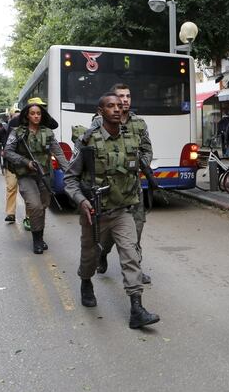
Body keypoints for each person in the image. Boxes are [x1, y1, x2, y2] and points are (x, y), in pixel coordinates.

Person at [63, 92, 160, 329]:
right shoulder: (88, 142)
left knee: (130, 255)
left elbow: (136, 170)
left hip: (122, 211)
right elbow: (70, 178)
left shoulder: (131, 140)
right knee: (90, 257)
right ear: (100, 111)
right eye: (111, 106)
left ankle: (136, 308)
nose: (117, 109)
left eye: (119, 105)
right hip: (94, 213)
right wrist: (81, 201)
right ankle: (86, 281)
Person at [94, 83, 153, 284]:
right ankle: (102, 253)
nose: (125, 100)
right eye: (121, 97)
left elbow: (147, 149)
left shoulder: (139, 123)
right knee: (109, 231)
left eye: (128, 96)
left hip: (133, 186)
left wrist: (141, 165)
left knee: (136, 227)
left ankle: (135, 269)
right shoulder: (99, 122)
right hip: (109, 188)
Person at [4, 101, 69, 254]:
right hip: (26, 175)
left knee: (43, 205)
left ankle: (40, 235)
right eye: (32, 113)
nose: (36, 116)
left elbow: (58, 153)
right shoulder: (17, 132)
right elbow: (8, 152)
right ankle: (37, 241)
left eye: (38, 114)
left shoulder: (47, 132)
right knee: (34, 206)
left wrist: (69, 172)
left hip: (45, 174)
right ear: (27, 115)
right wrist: (26, 162)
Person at [3, 110, 21, 223]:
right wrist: (0, 151)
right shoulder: (5, 130)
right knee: (11, 187)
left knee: (29, 192)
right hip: (11, 164)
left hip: (26, 165)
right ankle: (10, 213)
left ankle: (29, 217)